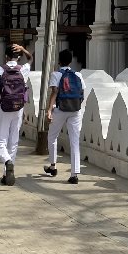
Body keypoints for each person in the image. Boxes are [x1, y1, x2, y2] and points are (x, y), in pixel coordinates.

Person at [0, 43, 32, 186]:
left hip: (4, 108)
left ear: (6, 56)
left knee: (0, 142)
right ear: (18, 57)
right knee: (13, 141)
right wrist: (23, 49)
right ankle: (7, 173)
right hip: (18, 109)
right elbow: (30, 59)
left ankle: (7, 162)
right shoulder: (23, 69)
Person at [44, 49, 85, 185]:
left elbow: (54, 92)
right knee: (74, 141)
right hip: (75, 110)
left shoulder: (56, 74)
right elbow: (82, 92)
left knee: (52, 136)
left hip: (61, 109)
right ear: (71, 61)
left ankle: (53, 166)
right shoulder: (78, 75)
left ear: (59, 61)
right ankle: (74, 174)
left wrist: (49, 110)